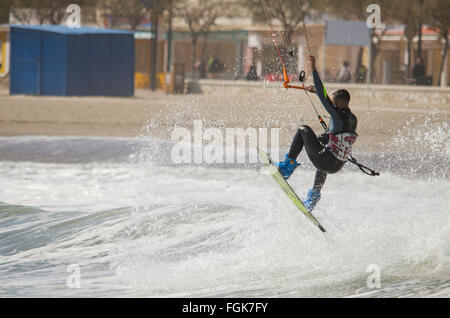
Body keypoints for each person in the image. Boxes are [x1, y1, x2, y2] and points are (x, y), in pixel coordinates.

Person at [275, 55, 358, 211]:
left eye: (334, 102)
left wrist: (313, 68)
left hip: (326, 161)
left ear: (340, 103)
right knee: (325, 148)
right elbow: (336, 134)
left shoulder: (338, 116)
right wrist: (318, 94)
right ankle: (313, 197)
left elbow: (323, 95)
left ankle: (287, 166)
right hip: (336, 166)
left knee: (303, 130)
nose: (331, 104)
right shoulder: (351, 119)